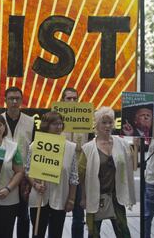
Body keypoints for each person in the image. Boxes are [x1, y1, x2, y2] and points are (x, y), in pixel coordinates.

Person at [79, 106, 135, 238]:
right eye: (104, 122)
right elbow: (81, 175)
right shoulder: (88, 148)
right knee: (94, 233)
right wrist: (83, 197)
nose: (107, 125)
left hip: (116, 196)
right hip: (95, 197)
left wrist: (136, 146)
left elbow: (130, 167)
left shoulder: (122, 144)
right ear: (96, 124)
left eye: (110, 122)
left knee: (123, 232)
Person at [27, 111, 78, 238]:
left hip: (60, 198)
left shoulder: (71, 148)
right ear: (46, 126)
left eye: (60, 124)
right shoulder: (35, 145)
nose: (59, 127)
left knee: (56, 234)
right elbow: (27, 169)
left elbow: (74, 177)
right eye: (55, 124)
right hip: (39, 198)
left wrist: (71, 199)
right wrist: (35, 184)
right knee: (37, 234)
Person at [1, 86, 34, 237]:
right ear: (5, 101)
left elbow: (34, 148)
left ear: (21, 100)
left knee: (23, 215)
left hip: (24, 176)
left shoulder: (31, 121)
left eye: (17, 98)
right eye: (11, 99)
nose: (14, 101)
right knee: (4, 213)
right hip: (3, 174)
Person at [61, 87, 87, 238]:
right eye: (68, 98)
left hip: (79, 174)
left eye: (74, 98)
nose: (72, 101)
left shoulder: (85, 118)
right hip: (60, 174)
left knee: (78, 216)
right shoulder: (56, 120)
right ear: (62, 100)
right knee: (57, 214)